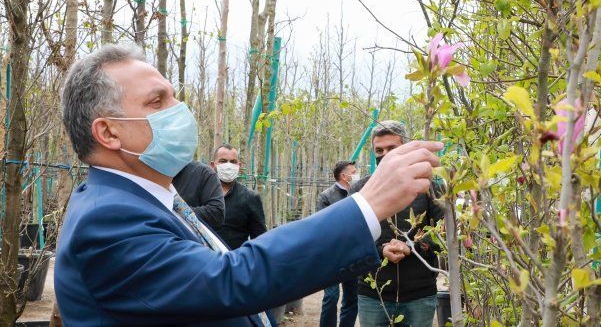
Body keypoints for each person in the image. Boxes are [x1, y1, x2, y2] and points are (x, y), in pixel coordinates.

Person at [54, 44, 443, 327]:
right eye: (158, 101)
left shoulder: (152, 198)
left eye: (175, 96)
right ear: (109, 132)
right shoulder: (107, 219)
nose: (179, 109)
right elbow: (230, 279)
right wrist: (368, 205)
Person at [351, 121, 444, 327]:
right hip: (373, 294)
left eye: (392, 148)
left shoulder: (429, 186)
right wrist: (381, 249)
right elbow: (351, 240)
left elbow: (444, 234)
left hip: (419, 293)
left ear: (405, 148)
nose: (385, 154)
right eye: (379, 150)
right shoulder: (361, 190)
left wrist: (412, 246)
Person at [317, 161, 360, 327]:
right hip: (332, 254)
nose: (357, 174)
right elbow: (323, 226)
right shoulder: (326, 196)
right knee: (331, 296)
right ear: (344, 176)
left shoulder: (359, 194)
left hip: (353, 253)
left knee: (351, 297)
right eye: (354, 172)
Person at [211, 143, 267, 249]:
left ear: (239, 166)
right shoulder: (201, 194)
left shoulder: (250, 197)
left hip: (235, 261)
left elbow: (260, 240)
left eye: (233, 162)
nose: (228, 165)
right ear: (213, 165)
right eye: (223, 161)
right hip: (203, 261)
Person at [172, 160, 225, 230]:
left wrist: (177, 212)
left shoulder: (204, 173)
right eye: (223, 161)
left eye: (233, 161)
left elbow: (217, 213)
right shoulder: (153, 176)